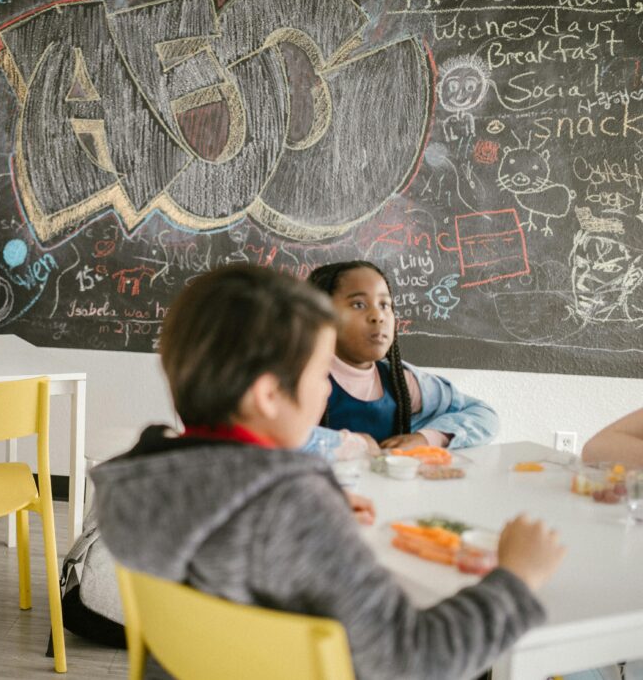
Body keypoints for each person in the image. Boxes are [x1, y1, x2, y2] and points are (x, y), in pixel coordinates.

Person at [91, 264, 565, 680]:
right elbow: (412, 660)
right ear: (267, 396)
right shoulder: (290, 508)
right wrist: (516, 579)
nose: (325, 390)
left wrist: (317, 507)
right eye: (320, 375)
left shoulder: (146, 480)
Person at [307, 260, 498, 451]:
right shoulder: (300, 380)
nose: (378, 316)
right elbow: (291, 439)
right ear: (320, 314)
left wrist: (428, 438)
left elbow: (483, 415)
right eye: (358, 304)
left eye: (385, 305)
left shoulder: (400, 382)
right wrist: (347, 444)